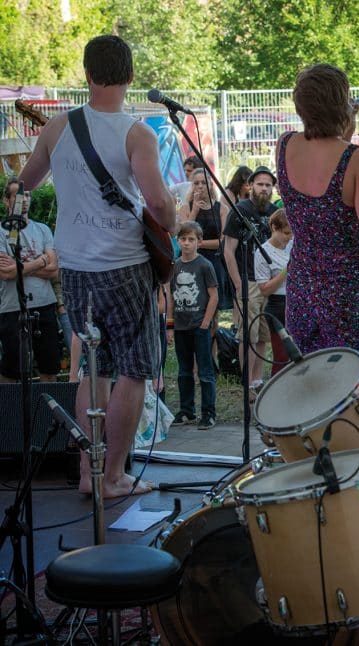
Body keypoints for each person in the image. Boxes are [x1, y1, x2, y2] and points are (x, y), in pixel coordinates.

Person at [20, 34, 177, 497]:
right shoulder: (137, 133)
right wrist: (171, 219)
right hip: (124, 265)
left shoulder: (57, 127)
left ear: (87, 74)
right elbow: (158, 203)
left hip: (74, 267)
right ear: (130, 76)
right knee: (134, 369)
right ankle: (112, 476)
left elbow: (25, 184)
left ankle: (88, 473)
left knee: (93, 367)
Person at [276, 64, 359, 371]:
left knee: (310, 380)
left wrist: (345, 122)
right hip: (350, 292)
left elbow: (330, 146)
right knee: (356, 383)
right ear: (341, 103)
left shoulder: (285, 144)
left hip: (303, 286)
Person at [0, 181, 60, 383]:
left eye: (27, 195)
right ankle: (10, 404)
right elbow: (5, 273)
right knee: (11, 371)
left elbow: (54, 269)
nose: (24, 200)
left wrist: (19, 267)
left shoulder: (43, 229)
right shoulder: (1, 232)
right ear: (7, 200)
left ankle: (47, 404)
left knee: (49, 367)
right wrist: (40, 261)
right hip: (13, 308)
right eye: (18, 195)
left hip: (45, 305)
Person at [223, 165, 275, 396]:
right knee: (248, 335)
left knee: (262, 335)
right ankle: (247, 384)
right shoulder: (240, 211)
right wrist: (238, 283)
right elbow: (228, 250)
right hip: (249, 280)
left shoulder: (275, 212)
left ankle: (257, 380)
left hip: (269, 282)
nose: (264, 188)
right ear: (250, 185)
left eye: (268, 185)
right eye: (260, 184)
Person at [167, 221, 218, 430]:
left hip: (199, 326)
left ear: (199, 242)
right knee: (184, 371)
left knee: (205, 371)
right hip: (181, 326)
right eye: (183, 239)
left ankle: (209, 413)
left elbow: (214, 295)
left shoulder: (205, 265)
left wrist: (206, 322)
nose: (186, 243)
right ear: (178, 241)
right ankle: (187, 410)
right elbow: (171, 297)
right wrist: (170, 326)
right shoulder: (175, 266)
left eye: (191, 239)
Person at [179, 168, 231, 310]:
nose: (200, 186)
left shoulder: (222, 209)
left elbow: (222, 241)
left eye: (204, 182)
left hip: (214, 261)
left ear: (211, 185)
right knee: (191, 305)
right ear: (192, 186)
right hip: (190, 262)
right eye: (196, 183)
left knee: (213, 306)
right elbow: (184, 236)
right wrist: (194, 211)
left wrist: (196, 243)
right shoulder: (185, 208)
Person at [254, 209, 292, 377]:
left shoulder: (293, 245)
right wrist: (286, 270)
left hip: (297, 302)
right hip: (278, 305)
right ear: (274, 228)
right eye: (286, 233)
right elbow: (264, 289)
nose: (290, 237)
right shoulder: (262, 252)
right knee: (282, 357)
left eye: (292, 233)